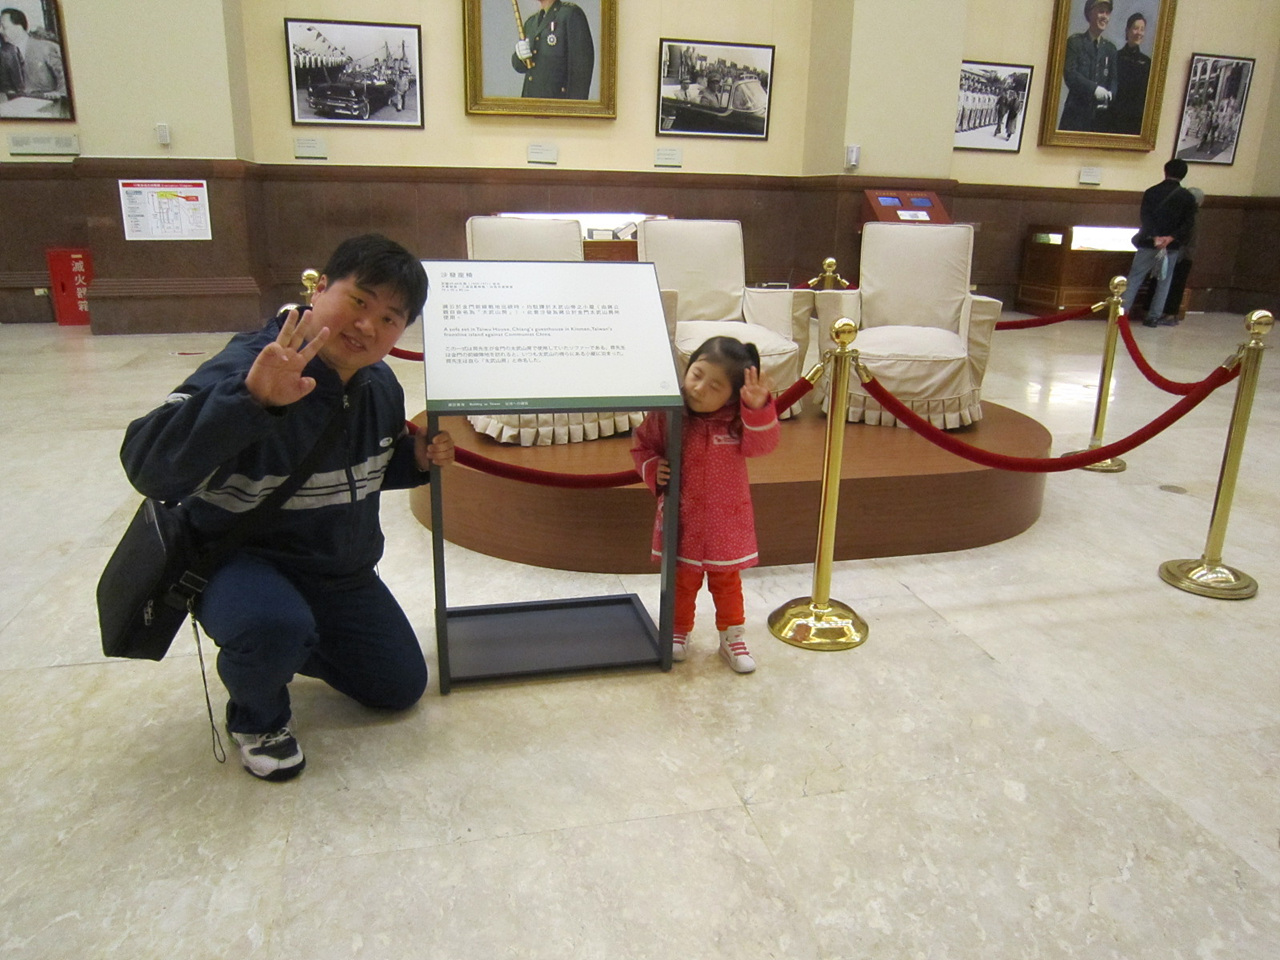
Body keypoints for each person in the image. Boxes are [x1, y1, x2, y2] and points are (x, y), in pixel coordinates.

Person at [121, 234, 455, 782]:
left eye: (390, 318)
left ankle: (286, 639)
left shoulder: (378, 385)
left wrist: (412, 461)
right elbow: (148, 465)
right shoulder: (252, 363)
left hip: (336, 569)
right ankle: (258, 716)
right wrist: (249, 401)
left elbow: (357, 469)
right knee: (272, 623)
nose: (367, 325)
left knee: (397, 686)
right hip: (239, 560)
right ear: (319, 289)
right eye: (359, 300)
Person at [630, 337, 780, 674]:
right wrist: (653, 467)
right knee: (682, 580)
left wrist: (757, 407)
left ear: (732, 395)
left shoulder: (737, 420)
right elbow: (642, 446)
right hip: (683, 518)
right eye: (696, 374)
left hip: (726, 523)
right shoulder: (668, 414)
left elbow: (762, 446)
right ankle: (678, 631)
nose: (699, 388)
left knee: (727, 583)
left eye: (715, 386)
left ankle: (732, 637)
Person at [1120, 159, 1198, 328]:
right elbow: (1188, 223)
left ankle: (1122, 314)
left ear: (1165, 171)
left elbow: (1145, 217)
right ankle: (1153, 317)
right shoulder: (1187, 197)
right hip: (1171, 246)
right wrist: (1170, 238)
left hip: (1148, 243)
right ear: (1183, 175)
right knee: (1164, 281)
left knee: (1134, 278)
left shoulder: (1151, 192)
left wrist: (1155, 236)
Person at [512, 0, 594, 99]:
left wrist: (574, 106)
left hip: (558, 102)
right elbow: (520, 67)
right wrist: (519, 57)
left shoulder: (570, 15)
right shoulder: (531, 23)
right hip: (531, 102)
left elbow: (581, 68)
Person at [1059, 0, 1117, 132]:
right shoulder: (1075, 42)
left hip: (1100, 119)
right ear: (1090, 13)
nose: (1105, 16)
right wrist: (1094, 89)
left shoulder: (1110, 49)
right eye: (1101, 11)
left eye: (1107, 13)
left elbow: (1114, 80)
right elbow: (1070, 74)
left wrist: (1110, 95)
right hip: (1075, 117)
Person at [0, 8, 67, 105]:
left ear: (18, 27)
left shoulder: (46, 47)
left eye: (3, 27)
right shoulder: (5, 54)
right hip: (22, 106)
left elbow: (65, 75)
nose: (0, 30)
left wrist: (59, 94)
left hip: (51, 104)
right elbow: (5, 85)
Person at [1159, 187, 1206, 325]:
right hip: (1186, 254)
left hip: (1182, 254)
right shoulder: (1194, 214)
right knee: (1176, 284)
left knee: (1175, 285)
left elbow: (1187, 237)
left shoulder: (1189, 216)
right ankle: (1170, 313)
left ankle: (1170, 314)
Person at [1109, 12, 1151, 135]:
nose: (1139, 33)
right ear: (1127, 31)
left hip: (1136, 122)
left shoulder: (1147, 63)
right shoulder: (1115, 57)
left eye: (1142, 29)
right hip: (1114, 119)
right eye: (1136, 28)